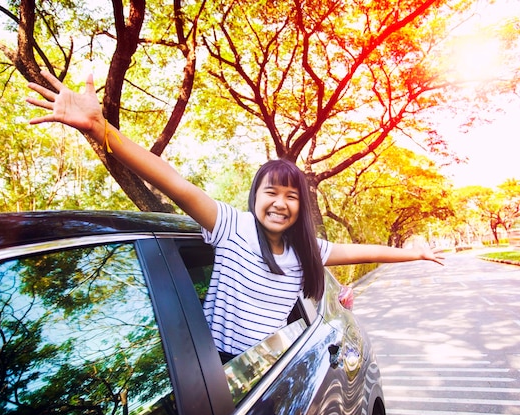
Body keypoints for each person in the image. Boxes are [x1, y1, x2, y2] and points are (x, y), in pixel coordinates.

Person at [26, 70, 444, 360]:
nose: (280, 203)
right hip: (219, 370)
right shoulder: (233, 227)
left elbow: (360, 251)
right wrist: (103, 131)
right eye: (271, 192)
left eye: (291, 196)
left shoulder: (307, 251)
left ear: (301, 208)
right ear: (254, 197)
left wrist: (416, 254)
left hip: (270, 367)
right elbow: (174, 181)